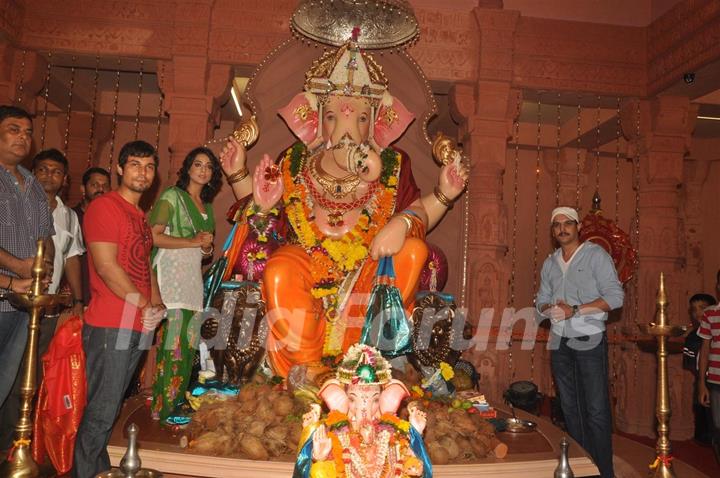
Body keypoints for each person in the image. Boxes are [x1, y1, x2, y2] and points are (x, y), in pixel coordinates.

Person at [218, 36, 468, 378]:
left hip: (367, 266)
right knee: (279, 270)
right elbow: (265, 206)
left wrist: (438, 198)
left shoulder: (394, 164)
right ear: (315, 120)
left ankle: (365, 359)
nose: (347, 131)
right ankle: (309, 366)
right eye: (333, 117)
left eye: (361, 119)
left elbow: (416, 209)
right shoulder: (294, 161)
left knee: (412, 251)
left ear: (378, 122)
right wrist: (238, 174)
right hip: (308, 260)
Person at [72, 140, 166, 478]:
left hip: (139, 322)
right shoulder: (105, 208)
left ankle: (97, 471)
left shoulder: (140, 216)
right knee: (100, 410)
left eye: (150, 167)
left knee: (111, 409)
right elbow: (107, 267)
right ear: (120, 169)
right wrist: (144, 304)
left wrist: (155, 305)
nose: (143, 172)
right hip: (111, 322)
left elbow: (145, 266)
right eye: (136, 165)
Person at [0, 148, 85, 449]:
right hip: (13, 300)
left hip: (48, 307)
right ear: (31, 173)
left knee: (32, 378)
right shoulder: (15, 204)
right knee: (10, 377)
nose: (50, 176)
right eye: (43, 170)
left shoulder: (69, 216)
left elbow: (71, 258)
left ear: (65, 179)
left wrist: (77, 300)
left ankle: (20, 443)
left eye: (57, 172)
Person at [535, 206, 624, 478]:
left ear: (578, 227)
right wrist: (548, 307)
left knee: (596, 409)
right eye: (557, 225)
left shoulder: (596, 255)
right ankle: (585, 469)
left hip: (589, 338)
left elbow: (616, 297)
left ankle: (604, 472)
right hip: (559, 341)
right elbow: (540, 302)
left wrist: (575, 309)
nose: (562, 228)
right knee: (570, 409)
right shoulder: (550, 263)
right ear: (553, 231)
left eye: (568, 223)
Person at [149, 147, 220, 422]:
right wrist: (193, 242)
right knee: (173, 349)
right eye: (198, 164)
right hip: (171, 279)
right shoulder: (171, 197)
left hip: (192, 281)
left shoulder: (208, 208)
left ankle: (176, 409)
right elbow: (153, 237)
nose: (203, 170)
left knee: (188, 351)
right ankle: (161, 411)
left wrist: (204, 248)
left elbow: (205, 253)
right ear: (188, 168)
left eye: (209, 167)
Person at [0, 105, 55, 411]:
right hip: (3, 292)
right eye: (13, 130)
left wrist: (44, 264)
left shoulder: (33, 185)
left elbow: (45, 236)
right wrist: (19, 270)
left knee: (9, 382)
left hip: (26, 302)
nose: (23, 138)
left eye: (28, 133)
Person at [73, 166, 111, 306]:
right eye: (95, 185)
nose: (100, 189)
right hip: (76, 293)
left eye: (105, 186)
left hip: (102, 292)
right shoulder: (72, 217)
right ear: (83, 189)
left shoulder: (112, 221)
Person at [683, 293, 716, 444]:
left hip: (715, 381)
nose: (698, 313)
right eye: (694, 309)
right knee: (705, 428)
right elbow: (693, 362)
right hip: (703, 382)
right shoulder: (693, 336)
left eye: (702, 308)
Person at [697, 270, 720, 463]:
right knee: (718, 427)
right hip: (715, 381)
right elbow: (704, 350)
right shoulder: (710, 314)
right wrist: (701, 384)